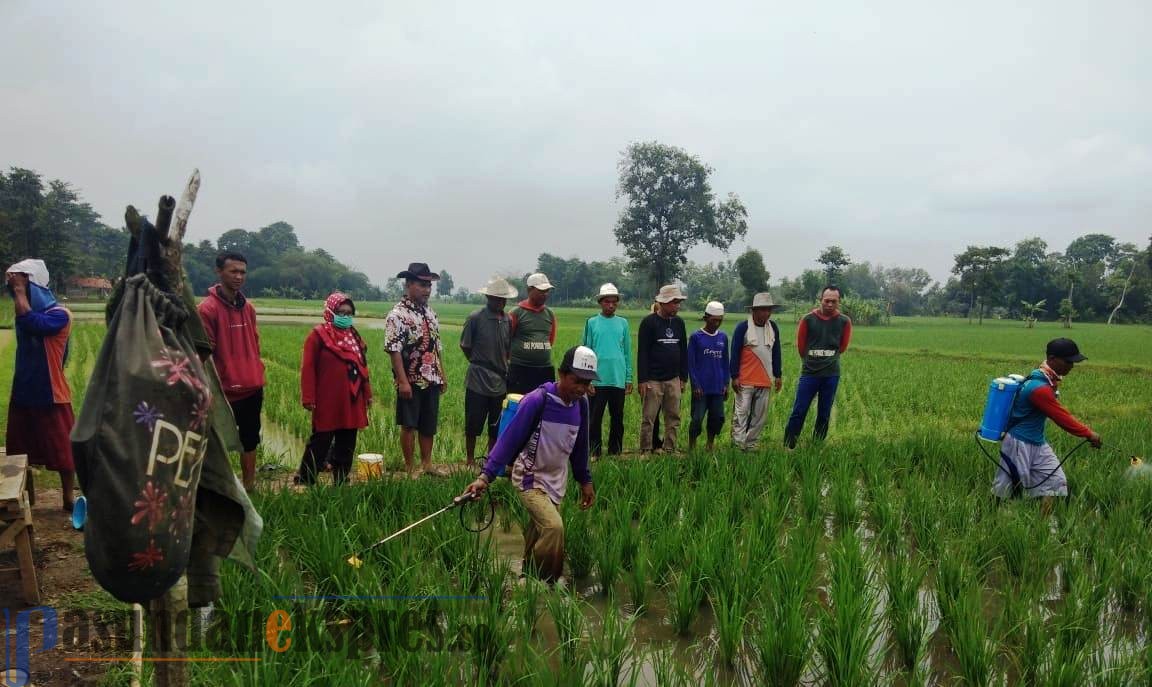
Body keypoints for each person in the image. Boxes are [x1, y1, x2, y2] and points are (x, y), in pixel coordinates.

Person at [464, 346, 597, 585]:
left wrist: (585, 480)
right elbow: (509, 440)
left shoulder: (582, 405)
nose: (581, 388)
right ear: (562, 374)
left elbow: (580, 447)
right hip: (529, 477)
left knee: (538, 531)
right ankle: (545, 582)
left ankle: (525, 575)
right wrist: (485, 477)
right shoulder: (539, 401)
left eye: (586, 383)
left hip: (557, 480)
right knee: (554, 527)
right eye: (577, 381)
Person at [992, 338, 1102, 509]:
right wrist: (1089, 433)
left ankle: (1045, 527)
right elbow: (1062, 418)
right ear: (1052, 359)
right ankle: (993, 520)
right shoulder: (1039, 388)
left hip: (1037, 442)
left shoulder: (1046, 380)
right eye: (1068, 361)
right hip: (1018, 443)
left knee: (1056, 482)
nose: (1071, 366)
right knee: (1009, 488)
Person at [5, 260, 77, 510]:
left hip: (51, 394)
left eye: (24, 283)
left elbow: (34, 324)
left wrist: (20, 291)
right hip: (24, 391)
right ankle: (25, 496)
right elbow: (26, 318)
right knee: (19, 448)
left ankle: (68, 497)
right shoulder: (22, 310)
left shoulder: (60, 315)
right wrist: (19, 290)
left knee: (63, 449)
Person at [197, 251, 266, 491]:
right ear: (219, 272)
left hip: (251, 386)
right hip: (224, 390)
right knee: (215, 442)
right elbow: (204, 353)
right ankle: (218, 488)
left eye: (242, 272)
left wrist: (257, 370)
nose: (239, 276)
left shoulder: (249, 309)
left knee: (250, 439)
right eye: (233, 271)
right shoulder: (207, 309)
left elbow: (255, 344)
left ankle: (249, 487)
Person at [298, 293, 372, 485]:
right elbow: (308, 368)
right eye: (341, 312)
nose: (345, 316)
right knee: (321, 439)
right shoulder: (318, 335)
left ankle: (341, 478)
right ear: (330, 312)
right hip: (328, 398)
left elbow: (363, 367)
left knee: (347, 440)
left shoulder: (354, 336)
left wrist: (368, 394)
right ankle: (306, 478)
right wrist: (308, 397)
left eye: (349, 313)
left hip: (352, 398)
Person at [385, 262, 447, 476]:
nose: (427, 290)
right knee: (409, 425)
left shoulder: (430, 313)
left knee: (428, 424)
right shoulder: (397, 315)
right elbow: (394, 350)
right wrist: (402, 381)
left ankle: (427, 464)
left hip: (432, 377)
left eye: (429, 285)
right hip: (410, 379)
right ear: (409, 284)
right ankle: (410, 467)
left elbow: (436, 346)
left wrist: (443, 375)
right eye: (422, 285)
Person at [783, 286, 851, 449]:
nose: (830, 304)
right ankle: (788, 445)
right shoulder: (808, 319)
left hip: (831, 374)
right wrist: (811, 361)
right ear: (820, 300)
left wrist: (827, 358)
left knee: (824, 413)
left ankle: (817, 444)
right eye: (827, 301)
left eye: (833, 301)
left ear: (838, 302)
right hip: (810, 374)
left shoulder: (844, 322)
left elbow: (842, 346)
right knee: (799, 410)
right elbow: (801, 346)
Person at [461, 276, 517, 466]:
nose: (500, 302)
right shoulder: (476, 318)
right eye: (496, 298)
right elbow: (465, 345)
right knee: (473, 422)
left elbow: (508, 347)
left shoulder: (508, 320)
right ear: (488, 298)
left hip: (500, 380)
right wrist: (479, 362)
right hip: (478, 378)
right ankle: (469, 459)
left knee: (496, 424)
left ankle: (491, 459)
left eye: (503, 299)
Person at [581, 283, 633, 457]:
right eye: (607, 302)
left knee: (617, 418)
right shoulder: (591, 322)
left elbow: (627, 352)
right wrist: (586, 380)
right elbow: (586, 352)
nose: (611, 305)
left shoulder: (623, 323)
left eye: (614, 302)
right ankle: (594, 452)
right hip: (597, 379)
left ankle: (615, 452)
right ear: (600, 302)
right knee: (594, 418)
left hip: (617, 378)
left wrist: (628, 378)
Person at [637, 285, 688, 454]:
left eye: (678, 302)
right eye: (674, 302)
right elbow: (642, 352)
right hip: (653, 379)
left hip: (673, 378)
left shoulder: (679, 323)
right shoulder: (649, 323)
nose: (677, 305)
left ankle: (669, 448)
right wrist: (643, 379)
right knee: (649, 417)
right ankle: (646, 449)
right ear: (663, 303)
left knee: (673, 416)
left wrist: (683, 377)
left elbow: (683, 350)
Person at [730, 293, 783, 451]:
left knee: (759, 417)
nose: (766, 314)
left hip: (765, 379)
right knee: (741, 415)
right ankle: (738, 445)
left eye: (768, 310)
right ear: (754, 311)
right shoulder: (743, 327)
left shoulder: (772, 327)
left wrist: (778, 375)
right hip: (745, 380)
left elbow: (776, 352)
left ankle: (751, 444)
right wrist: (734, 376)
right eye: (762, 310)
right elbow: (735, 352)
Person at [687, 301, 729, 451]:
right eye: (713, 320)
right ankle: (691, 445)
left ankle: (710, 444)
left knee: (717, 418)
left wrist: (726, 384)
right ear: (706, 318)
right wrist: (695, 385)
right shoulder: (696, 337)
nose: (717, 323)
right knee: (697, 418)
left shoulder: (723, 338)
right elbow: (691, 364)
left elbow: (725, 362)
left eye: (720, 320)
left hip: (717, 387)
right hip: (701, 389)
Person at [507, 273, 557, 395]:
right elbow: (506, 340)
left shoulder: (549, 314)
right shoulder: (516, 313)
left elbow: (550, 340)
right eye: (541, 291)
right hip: (520, 369)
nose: (545, 294)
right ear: (529, 290)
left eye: (547, 291)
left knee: (543, 406)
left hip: (544, 370)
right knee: (518, 404)